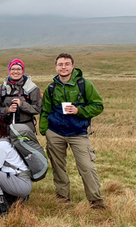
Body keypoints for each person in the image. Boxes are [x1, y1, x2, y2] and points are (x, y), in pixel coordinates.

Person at [40, 53, 105, 209]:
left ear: (72, 66)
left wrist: (78, 111)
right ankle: (62, 198)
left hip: (78, 133)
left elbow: (98, 106)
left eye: (67, 64)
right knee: (57, 166)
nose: (64, 67)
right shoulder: (51, 87)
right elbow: (45, 110)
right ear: (56, 67)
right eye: (60, 64)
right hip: (55, 132)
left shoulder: (85, 84)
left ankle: (96, 202)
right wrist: (45, 130)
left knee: (87, 166)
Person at [0, 113, 32, 216]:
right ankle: (15, 198)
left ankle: (1, 209)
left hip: (21, 183)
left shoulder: (0, 145)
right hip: (18, 180)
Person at [0, 59, 42, 131]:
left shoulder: (32, 88)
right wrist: (8, 110)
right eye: (13, 69)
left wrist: (21, 104)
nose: (16, 72)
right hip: (5, 129)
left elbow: (38, 109)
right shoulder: (0, 89)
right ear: (9, 70)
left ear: (23, 71)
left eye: (19, 69)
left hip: (26, 129)